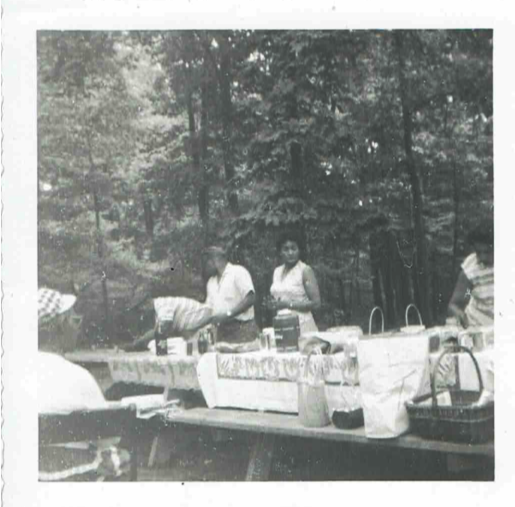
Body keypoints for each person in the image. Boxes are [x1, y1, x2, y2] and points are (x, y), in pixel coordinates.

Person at [38, 288, 129, 481]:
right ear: (60, 325)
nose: (78, 327)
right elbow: (109, 437)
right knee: (122, 458)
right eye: (74, 320)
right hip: (73, 476)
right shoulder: (79, 377)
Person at [267, 232, 321, 335]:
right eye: (286, 249)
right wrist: (273, 304)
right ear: (280, 252)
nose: (290, 252)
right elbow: (279, 298)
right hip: (282, 324)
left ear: (299, 250)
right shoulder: (277, 271)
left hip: (302, 325)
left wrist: (287, 304)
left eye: (293, 248)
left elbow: (316, 303)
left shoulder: (305, 270)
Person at [203, 246, 259, 343]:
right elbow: (208, 308)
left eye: (207, 261)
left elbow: (250, 298)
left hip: (243, 329)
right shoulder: (211, 282)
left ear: (217, 259)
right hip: (222, 332)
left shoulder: (238, 272)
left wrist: (227, 315)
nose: (205, 266)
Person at [447, 221, 494, 328]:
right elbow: (456, 303)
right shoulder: (471, 267)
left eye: (487, 252)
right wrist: (460, 314)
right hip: (478, 327)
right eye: (478, 252)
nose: (482, 258)